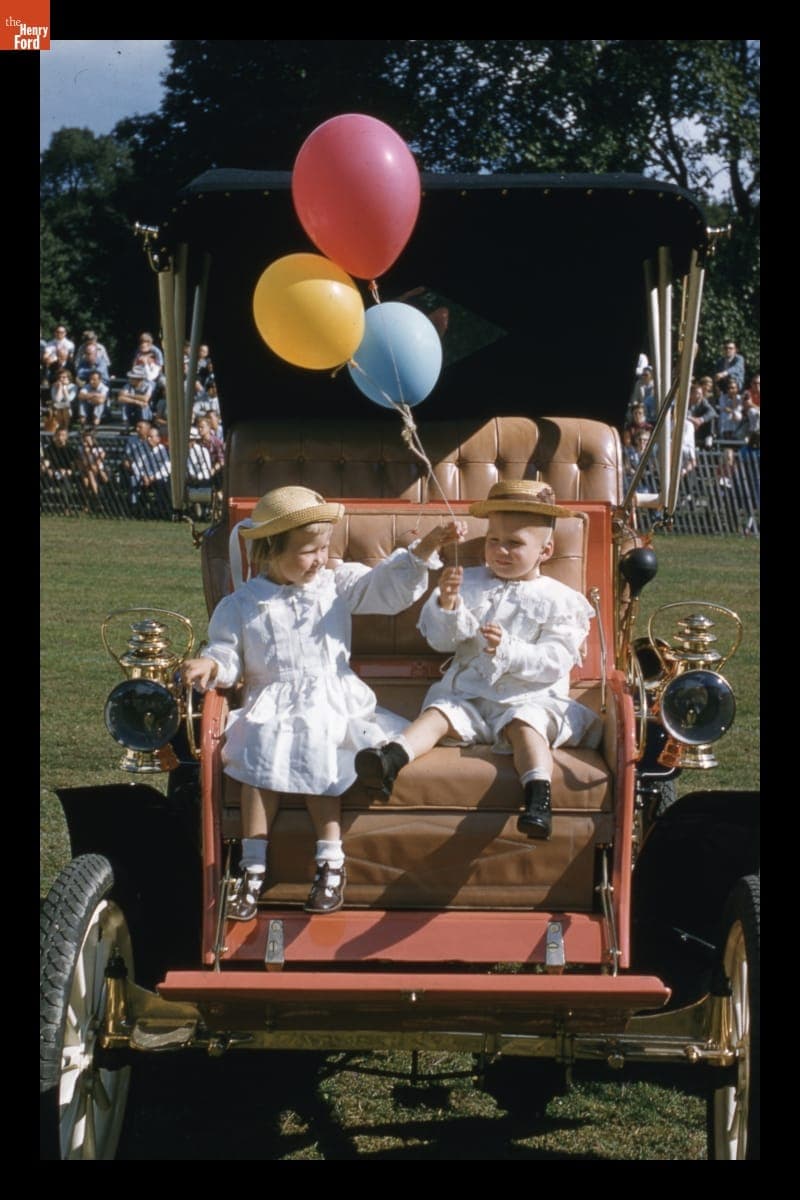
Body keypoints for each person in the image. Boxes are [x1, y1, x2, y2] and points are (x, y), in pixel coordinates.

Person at [181, 485, 466, 919]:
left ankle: (330, 862)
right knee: (257, 742)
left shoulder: (335, 584)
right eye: (309, 551)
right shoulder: (239, 605)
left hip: (330, 697)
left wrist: (424, 548)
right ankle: (252, 866)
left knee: (320, 740)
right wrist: (211, 666)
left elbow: (384, 587)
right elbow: (227, 653)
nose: (321, 558)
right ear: (270, 550)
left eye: (325, 548)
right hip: (270, 699)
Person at [354, 480, 602, 842]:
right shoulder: (468, 582)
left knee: (526, 726)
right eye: (493, 540)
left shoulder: (561, 600)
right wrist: (448, 607)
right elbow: (441, 642)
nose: (500, 550)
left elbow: (556, 659)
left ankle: (537, 795)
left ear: (545, 550)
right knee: (439, 712)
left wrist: (509, 649)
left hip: (530, 697)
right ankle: (391, 758)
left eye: (514, 543)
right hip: (469, 693)